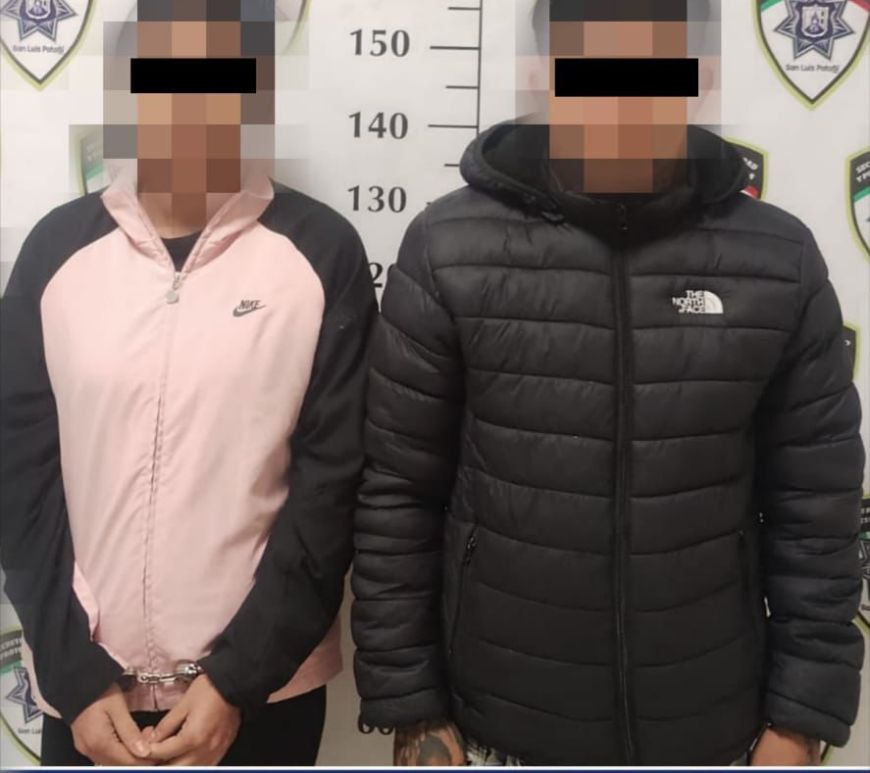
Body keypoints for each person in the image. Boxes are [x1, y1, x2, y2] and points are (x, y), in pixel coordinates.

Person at [351, 0, 865, 766]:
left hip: (712, 723)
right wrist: (411, 706)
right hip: (497, 723)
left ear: (702, 76)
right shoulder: (446, 247)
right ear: (542, 77)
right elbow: (398, 493)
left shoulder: (778, 259)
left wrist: (801, 719)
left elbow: (816, 511)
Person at [0, 0, 376, 766]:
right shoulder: (55, 252)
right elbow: (20, 476)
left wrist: (236, 681)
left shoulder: (321, 253)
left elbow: (332, 486)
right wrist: (76, 678)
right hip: (89, 705)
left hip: (263, 699)